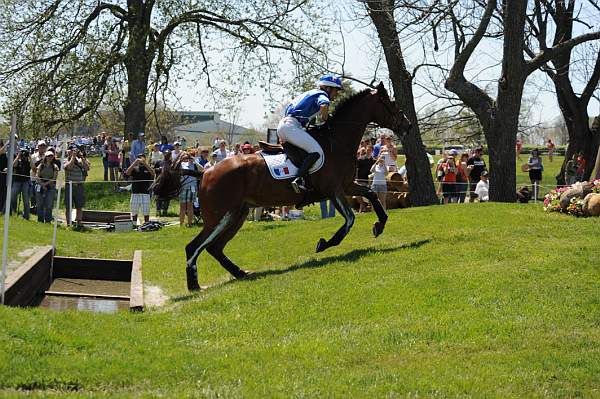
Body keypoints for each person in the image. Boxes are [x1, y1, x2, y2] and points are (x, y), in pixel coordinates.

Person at [277, 74, 343, 193]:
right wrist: (326, 118)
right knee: (316, 151)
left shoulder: (310, 93)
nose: (336, 94)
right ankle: (298, 179)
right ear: (328, 88)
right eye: (336, 91)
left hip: (286, 125)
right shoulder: (322, 94)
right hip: (291, 126)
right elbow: (323, 105)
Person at [64, 145, 90, 226]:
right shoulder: (66, 160)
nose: (73, 152)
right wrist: (73, 157)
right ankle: (69, 223)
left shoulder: (81, 160)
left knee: (79, 206)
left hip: (79, 185)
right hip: (70, 186)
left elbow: (87, 168)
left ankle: (79, 222)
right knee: (69, 206)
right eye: (72, 151)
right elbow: (69, 167)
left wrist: (82, 157)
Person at [125, 153, 155, 225]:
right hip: (135, 192)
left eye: (142, 158)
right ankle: (134, 224)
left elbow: (153, 174)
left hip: (145, 192)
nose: (140, 159)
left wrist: (145, 163)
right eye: (139, 158)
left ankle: (147, 224)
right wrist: (135, 163)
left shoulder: (148, 167)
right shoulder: (134, 168)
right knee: (134, 210)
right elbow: (127, 173)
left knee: (146, 210)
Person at [176, 152, 202, 227]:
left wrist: (194, 160)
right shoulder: (182, 164)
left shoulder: (195, 165)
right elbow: (174, 166)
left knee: (190, 206)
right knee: (182, 206)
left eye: (191, 156)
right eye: (189, 156)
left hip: (192, 187)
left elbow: (202, 169)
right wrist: (181, 159)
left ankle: (190, 224)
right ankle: (181, 224)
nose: (189, 158)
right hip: (183, 187)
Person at [35, 151, 59, 223]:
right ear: (45, 157)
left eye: (51, 156)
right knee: (40, 204)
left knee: (49, 205)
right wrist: (42, 184)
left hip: (50, 186)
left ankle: (48, 220)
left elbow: (54, 178)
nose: (50, 157)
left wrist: (46, 184)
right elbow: (37, 176)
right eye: (48, 156)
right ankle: (40, 220)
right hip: (40, 185)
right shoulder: (41, 165)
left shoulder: (55, 166)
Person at [10, 148, 32, 219]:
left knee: (26, 199)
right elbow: (13, 165)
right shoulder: (18, 161)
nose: (24, 156)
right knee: (12, 196)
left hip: (26, 182)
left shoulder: (28, 162)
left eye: (25, 154)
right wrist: (18, 156)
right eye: (23, 154)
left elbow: (33, 167)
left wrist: (30, 157)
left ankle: (26, 216)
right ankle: (13, 210)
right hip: (17, 181)